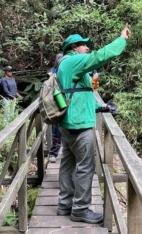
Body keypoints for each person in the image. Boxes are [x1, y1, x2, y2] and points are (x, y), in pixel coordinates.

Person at [56, 26, 130, 224]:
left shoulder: (66, 65)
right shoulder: (73, 61)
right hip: (79, 124)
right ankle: (80, 209)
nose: (87, 48)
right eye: (84, 45)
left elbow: (80, 93)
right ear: (74, 47)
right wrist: (121, 39)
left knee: (68, 164)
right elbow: (100, 56)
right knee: (86, 166)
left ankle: (65, 205)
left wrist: (102, 107)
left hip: (69, 121)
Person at [48, 53, 64, 163]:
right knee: (56, 129)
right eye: (58, 59)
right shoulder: (53, 71)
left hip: (67, 101)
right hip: (56, 103)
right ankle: (53, 153)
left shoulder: (68, 69)